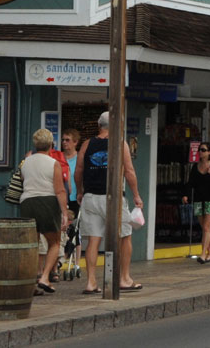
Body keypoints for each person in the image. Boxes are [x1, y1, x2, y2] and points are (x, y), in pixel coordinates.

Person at [75, 111, 144, 294]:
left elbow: (79, 170)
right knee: (124, 237)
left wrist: (80, 191)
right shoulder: (120, 144)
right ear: (116, 126)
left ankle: (91, 282)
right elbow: (129, 172)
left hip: (90, 198)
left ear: (99, 125)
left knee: (93, 240)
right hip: (113, 197)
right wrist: (136, 195)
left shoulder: (87, 144)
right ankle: (124, 278)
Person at [20, 129, 69, 295]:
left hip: (27, 202)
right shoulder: (53, 163)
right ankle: (45, 276)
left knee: (32, 245)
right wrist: (64, 212)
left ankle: (31, 282)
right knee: (54, 242)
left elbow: (23, 180)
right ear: (51, 145)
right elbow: (60, 190)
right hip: (47, 202)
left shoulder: (26, 161)